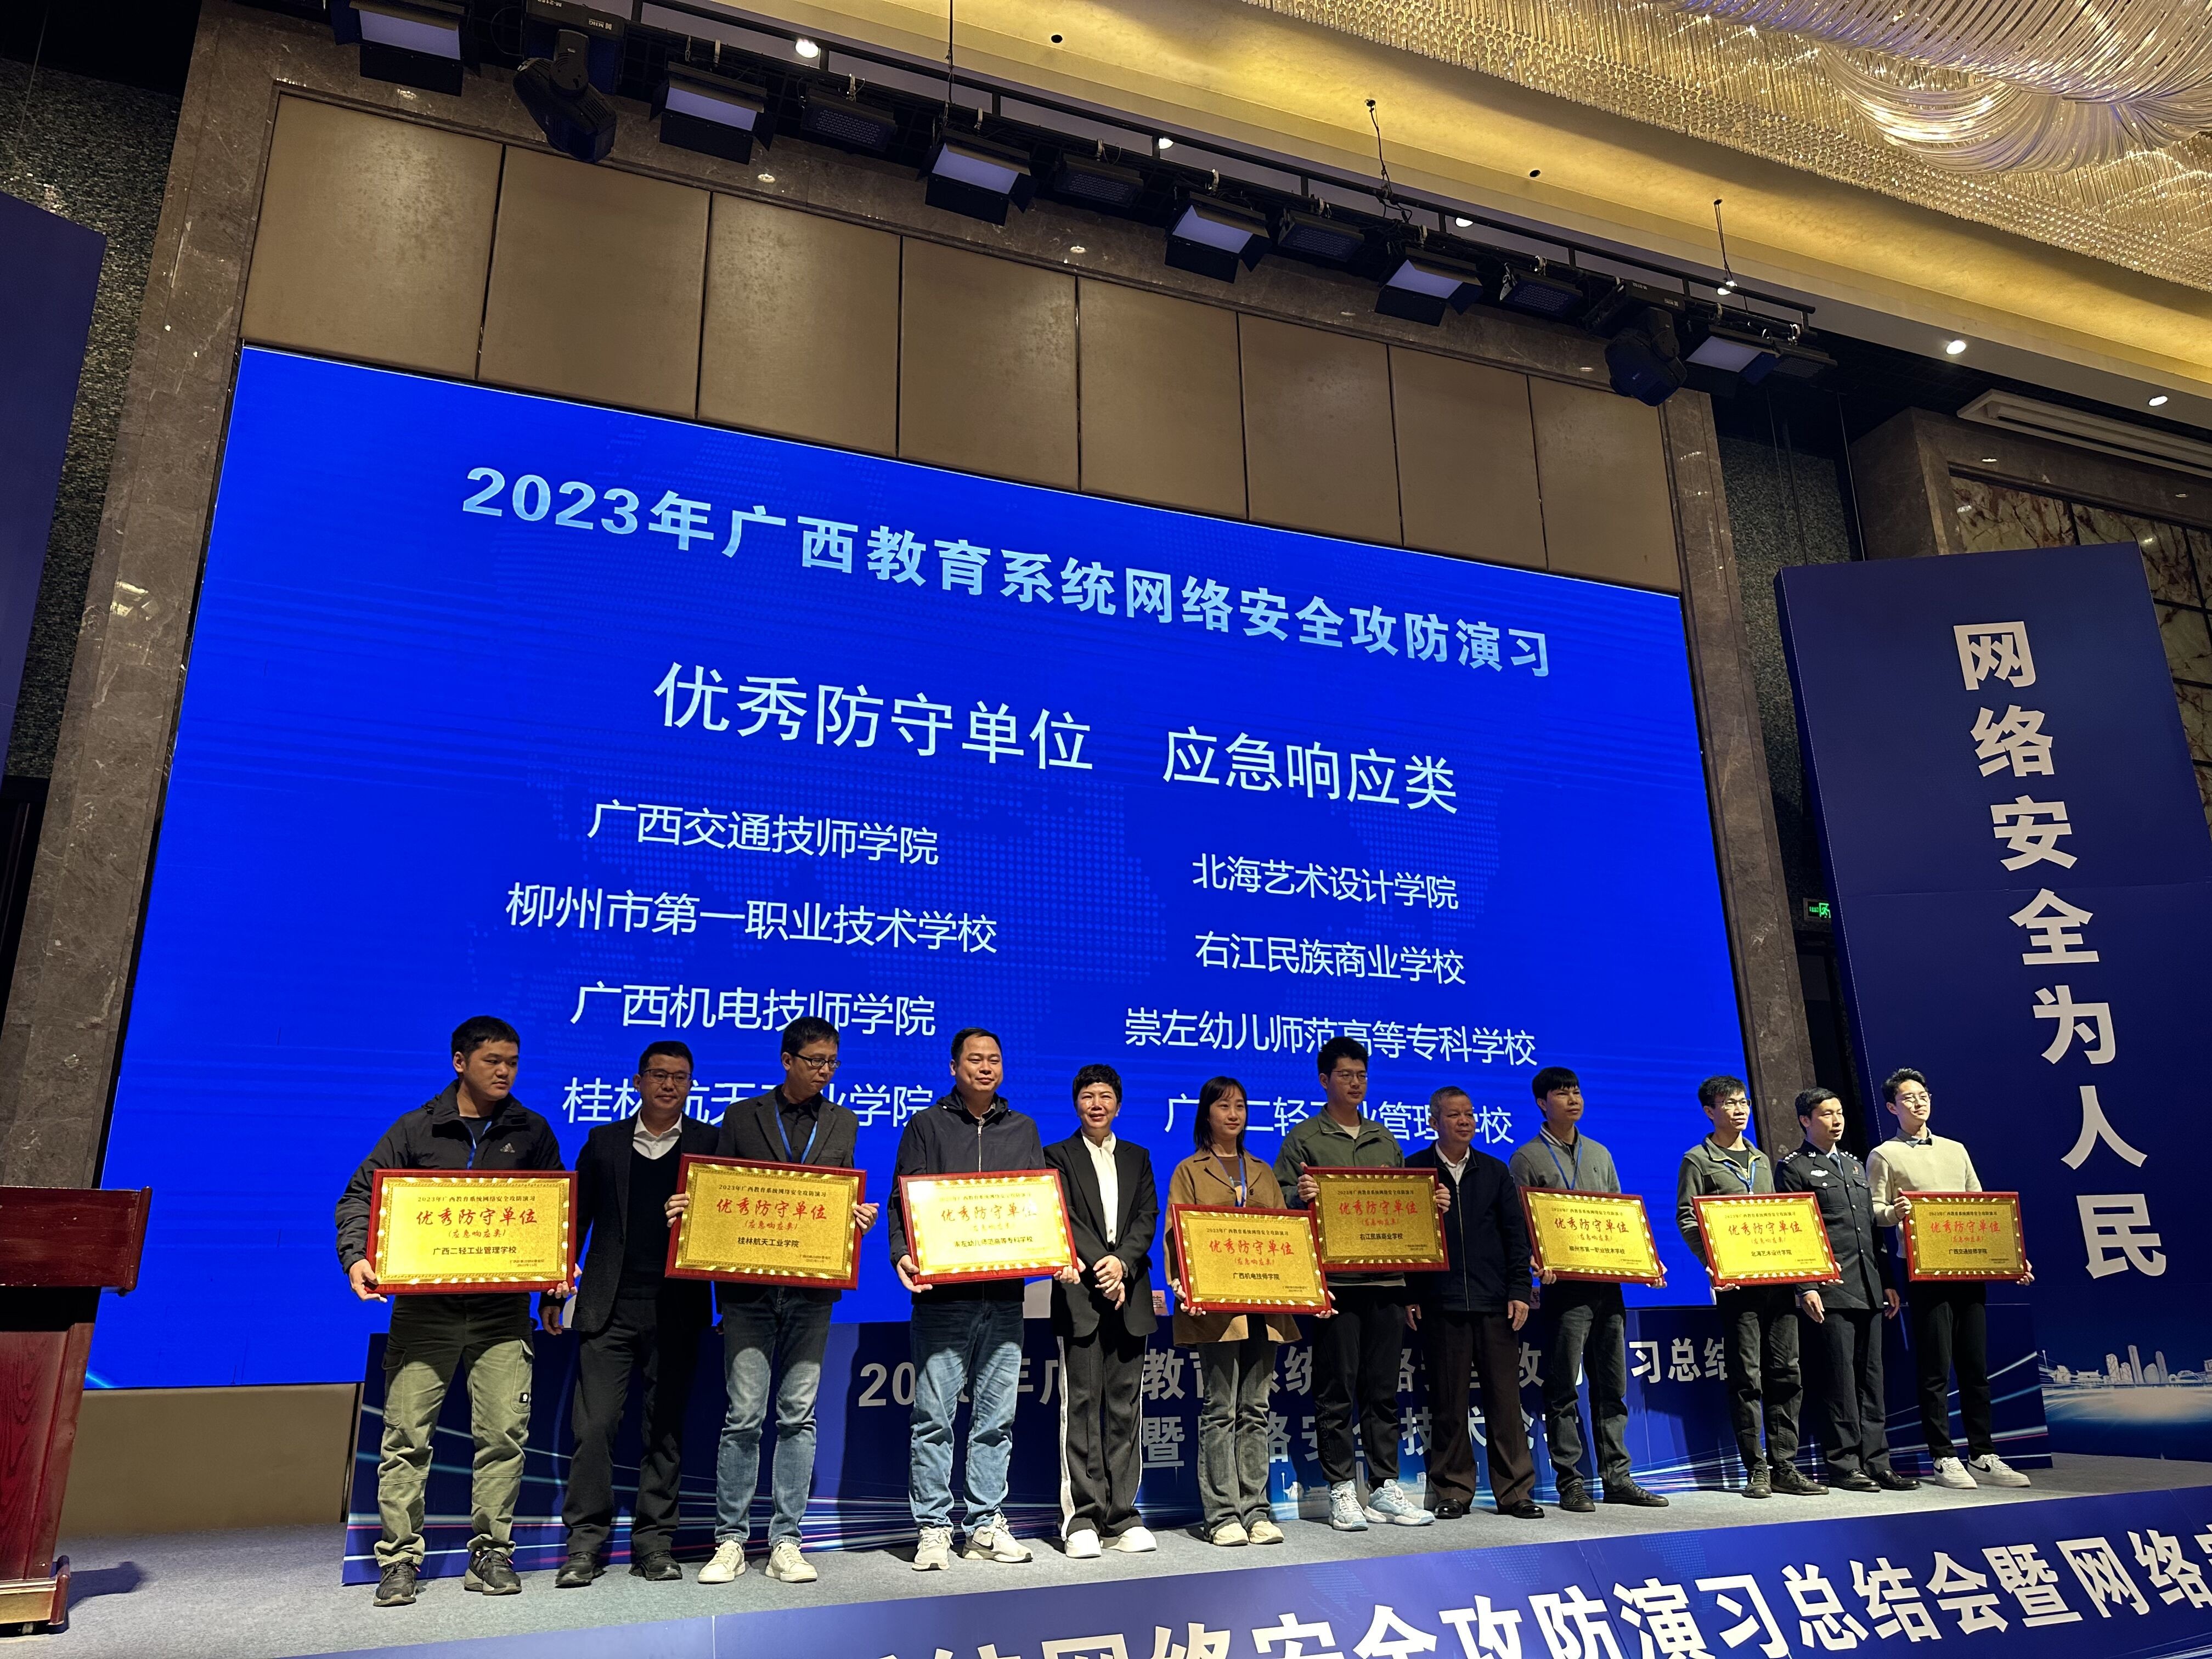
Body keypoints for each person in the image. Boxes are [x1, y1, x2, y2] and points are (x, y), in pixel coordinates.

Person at [334, 1016, 565, 1608]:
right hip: (425, 1312)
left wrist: (556, 1284)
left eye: (513, 1062)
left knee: (504, 1436)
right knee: (406, 1437)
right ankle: (399, 1560)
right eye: (493, 1061)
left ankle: (492, 1553)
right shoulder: (417, 1128)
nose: (505, 1072)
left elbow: (554, 1215)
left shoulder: (532, 1132)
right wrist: (356, 1257)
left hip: (502, 1314)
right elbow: (360, 1195)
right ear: (460, 1062)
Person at [676, 1015, 876, 1585]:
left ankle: (787, 1540)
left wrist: (855, 1220)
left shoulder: (843, 1122)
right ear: (787, 1060)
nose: (825, 1072)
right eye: (815, 1061)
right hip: (748, 1293)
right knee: (743, 1417)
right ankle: (731, 1541)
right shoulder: (742, 1117)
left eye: (832, 1063)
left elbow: (839, 1199)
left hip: (813, 1292)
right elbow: (720, 1197)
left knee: (798, 1417)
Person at [888, 1027, 1080, 1570]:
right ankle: (932, 1528)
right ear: (954, 1067)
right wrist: (901, 1253)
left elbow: (1038, 1206)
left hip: (1004, 1299)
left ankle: (984, 1525)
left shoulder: (1023, 1129)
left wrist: (1058, 1250)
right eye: (975, 1059)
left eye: (994, 1058)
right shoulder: (926, 1125)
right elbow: (903, 1201)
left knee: (996, 1420)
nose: (986, 1067)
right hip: (943, 1300)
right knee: (934, 1419)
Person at [551, 1041, 719, 1588]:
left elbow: (730, 1225)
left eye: (680, 1077)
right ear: (638, 1081)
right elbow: (575, 1220)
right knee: (594, 1427)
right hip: (609, 1306)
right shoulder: (604, 1142)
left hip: (678, 1308)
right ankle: (584, 1546)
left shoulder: (709, 1143)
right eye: (659, 1075)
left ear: (691, 1085)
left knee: (664, 1431)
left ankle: (655, 1544)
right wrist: (553, 1289)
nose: (669, 1085)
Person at [1275, 1036, 1448, 1531]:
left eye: (1362, 1076)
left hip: (1388, 1281)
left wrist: (1430, 1207)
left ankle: (1385, 1485)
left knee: (1382, 1390)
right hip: (1338, 1285)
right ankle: (1340, 1489)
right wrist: (1299, 1194)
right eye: (1346, 1075)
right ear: (1324, 1080)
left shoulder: (1383, 1138)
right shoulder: (1304, 1138)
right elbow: (1280, 1202)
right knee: (1337, 1389)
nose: (1356, 1083)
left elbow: (1404, 1207)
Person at [1508, 1066, 1669, 1513]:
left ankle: (1618, 1476)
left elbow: (1621, 1217)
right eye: (1562, 1094)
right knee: (1563, 1386)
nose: (1573, 1099)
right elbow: (1522, 1226)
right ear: (1542, 1103)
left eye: (1576, 1092)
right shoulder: (1527, 1158)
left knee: (1612, 1384)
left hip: (1608, 1285)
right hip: (1564, 1289)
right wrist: (1535, 1264)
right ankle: (1570, 1481)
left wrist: (1645, 1261)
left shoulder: (1599, 1153)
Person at [1866, 1068, 2034, 1491]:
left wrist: (2011, 1259)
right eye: (1908, 1098)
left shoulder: (1956, 1150)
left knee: (1975, 1366)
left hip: (1968, 1266)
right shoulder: (1885, 1155)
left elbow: (1982, 1208)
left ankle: (1983, 1454)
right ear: (1892, 1108)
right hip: (1924, 1270)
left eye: (1923, 1095)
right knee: (1935, 1368)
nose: (1919, 1102)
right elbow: (1874, 1211)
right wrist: (1894, 1212)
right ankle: (1943, 1456)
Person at [1674, 1075, 1823, 1500]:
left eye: (1743, 1102)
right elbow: (1687, 1219)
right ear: (1710, 1111)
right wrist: (1714, 1263)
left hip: (1777, 1282)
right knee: (1747, 1377)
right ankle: (1756, 1467)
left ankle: (1785, 1465)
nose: (1739, 1110)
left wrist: (1803, 1280)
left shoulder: (1760, 1158)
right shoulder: (1697, 1160)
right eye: (1729, 1104)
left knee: (1787, 1372)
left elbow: (1779, 1220)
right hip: (1737, 1287)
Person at [1165, 1076, 1296, 1548]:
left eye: (1240, 1105)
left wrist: (1305, 1290)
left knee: (1256, 1409)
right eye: (1224, 1106)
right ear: (1207, 1113)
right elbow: (1178, 1232)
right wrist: (1183, 1283)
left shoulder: (1261, 1170)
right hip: (1218, 1309)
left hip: (1264, 1306)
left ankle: (1257, 1510)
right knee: (1220, 1409)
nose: (1234, 1114)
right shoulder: (1190, 1170)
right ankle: (1222, 1514)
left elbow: (1287, 1236)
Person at [1407, 1087, 1542, 1521]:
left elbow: (1516, 1237)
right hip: (1440, 1302)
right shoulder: (1414, 1170)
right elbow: (1403, 1239)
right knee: (1449, 1402)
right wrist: (1410, 1293)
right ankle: (1453, 1489)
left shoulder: (1495, 1170)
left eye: (1469, 1114)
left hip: (1494, 1302)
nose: (1464, 1121)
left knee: (1506, 1401)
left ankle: (1515, 1492)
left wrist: (1519, 1289)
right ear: (1433, 1122)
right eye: (1454, 1115)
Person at [1043, 1064, 1160, 1559]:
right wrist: (1101, 1265)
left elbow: (1147, 1218)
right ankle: (1083, 1518)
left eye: (1106, 1096)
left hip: (1129, 1294)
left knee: (1124, 1408)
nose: (1097, 1104)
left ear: (1118, 1103)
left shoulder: (1139, 1156)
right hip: (1082, 1296)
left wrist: (1123, 1264)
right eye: (1089, 1095)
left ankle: (1123, 1515)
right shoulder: (1056, 1155)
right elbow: (1064, 1216)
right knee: (1082, 1406)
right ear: (1077, 1103)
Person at [1776, 1087, 1917, 1494]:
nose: (1836, 1120)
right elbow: (1795, 1232)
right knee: (1839, 1382)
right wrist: (1806, 1286)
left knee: (1872, 1381)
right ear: (1805, 1120)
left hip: (1868, 1286)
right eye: (1826, 1114)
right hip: (1830, 1289)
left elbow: (1871, 1232)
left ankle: (1878, 1463)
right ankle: (1844, 1464)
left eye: (1839, 1113)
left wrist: (1887, 1281)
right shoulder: (1794, 1168)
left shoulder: (1854, 1165)